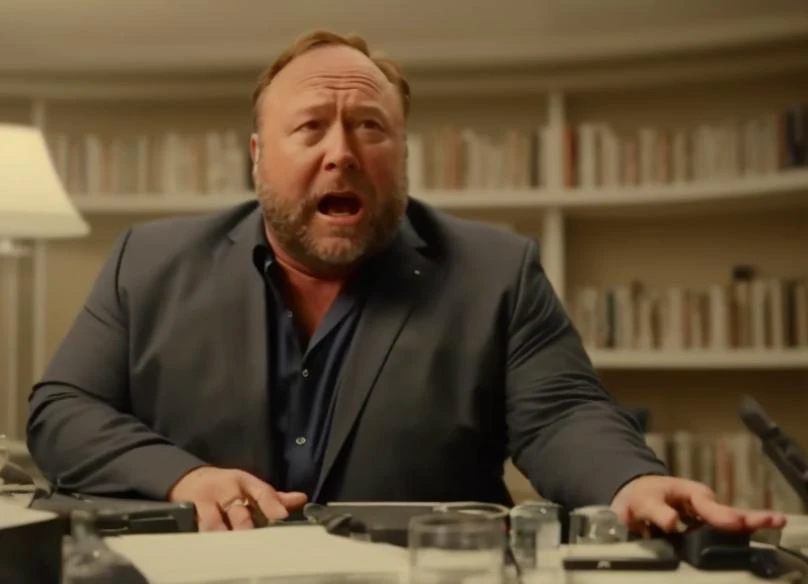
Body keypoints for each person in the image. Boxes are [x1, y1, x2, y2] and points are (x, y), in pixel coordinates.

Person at [27, 30, 786, 535]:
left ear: (404, 153)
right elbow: (63, 411)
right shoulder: (147, 262)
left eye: (370, 127)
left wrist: (630, 486)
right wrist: (183, 477)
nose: (342, 152)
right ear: (257, 157)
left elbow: (562, 417)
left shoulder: (497, 272)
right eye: (310, 127)